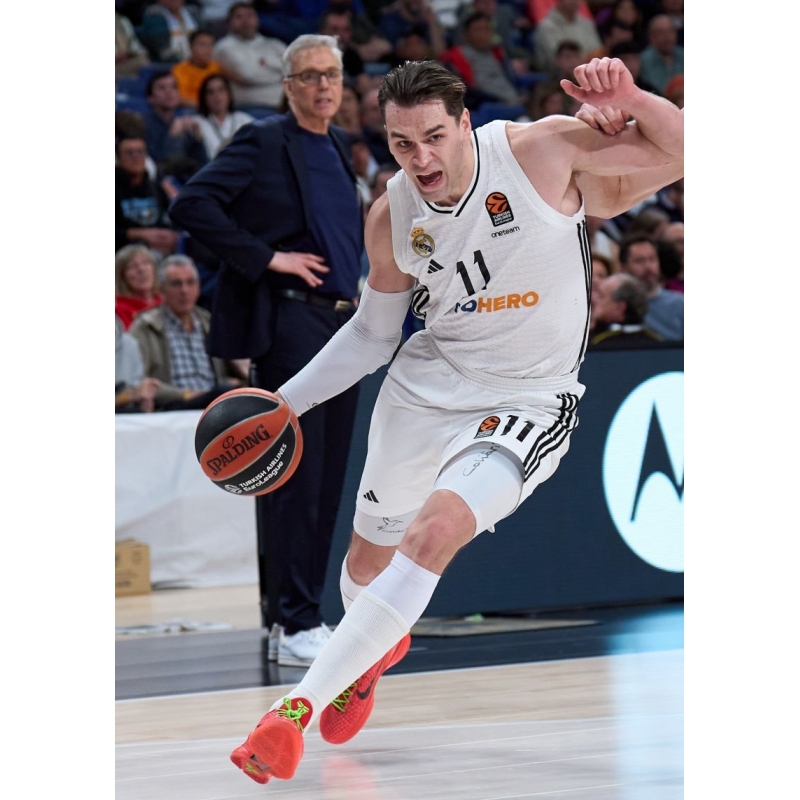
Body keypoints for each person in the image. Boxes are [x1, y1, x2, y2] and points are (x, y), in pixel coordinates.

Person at [226, 55, 683, 785]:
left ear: (465, 123)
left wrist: (631, 95)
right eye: (402, 143)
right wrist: (286, 403)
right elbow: (373, 335)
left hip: (526, 401)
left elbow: (686, 149)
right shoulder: (392, 214)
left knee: (433, 534)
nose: (421, 159)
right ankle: (374, 649)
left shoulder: (540, 152)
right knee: (365, 570)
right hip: (424, 390)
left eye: (434, 137)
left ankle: (291, 714)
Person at [168, 34, 365, 667]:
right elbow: (190, 203)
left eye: (331, 74)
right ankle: (294, 621)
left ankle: (299, 615)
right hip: (291, 322)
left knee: (329, 480)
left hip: (343, 325)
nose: (323, 85)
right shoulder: (263, 140)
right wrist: (266, 258)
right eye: (309, 75)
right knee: (296, 478)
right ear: (287, 86)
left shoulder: (339, 144)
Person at [129, 255, 249, 410]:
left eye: (190, 282)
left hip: (213, 403)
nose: (184, 290)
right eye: (176, 284)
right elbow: (137, 383)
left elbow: (231, 372)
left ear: (198, 287)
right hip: (172, 406)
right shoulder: (145, 326)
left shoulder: (210, 323)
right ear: (161, 290)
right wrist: (187, 395)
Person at [440, 12, 527, 108]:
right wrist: (502, 102)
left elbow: (511, 80)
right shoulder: (458, 55)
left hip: (514, 99)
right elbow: (469, 90)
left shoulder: (497, 52)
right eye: (478, 30)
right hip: (488, 104)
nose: (483, 34)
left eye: (486, 29)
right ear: (466, 34)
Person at [213, 1, 288, 112]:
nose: (246, 21)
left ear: (257, 19)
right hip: (252, 107)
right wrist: (280, 74)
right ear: (229, 22)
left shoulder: (274, 44)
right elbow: (248, 75)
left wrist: (267, 63)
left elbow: (293, 68)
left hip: (286, 105)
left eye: (250, 16)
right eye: (239, 17)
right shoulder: (224, 47)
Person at [115, 134, 181, 255]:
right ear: (118, 158)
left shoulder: (156, 187)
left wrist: (171, 235)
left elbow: (171, 220)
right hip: (123, 254)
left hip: (159, 252)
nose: (135, 157)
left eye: (140, 152)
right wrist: (140, 234)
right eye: (129, 153)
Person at [618, 231, 683, 341]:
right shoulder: (617, 305)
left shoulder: (680, 304)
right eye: (639, 261)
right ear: (624, 267)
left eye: (652, 259)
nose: (648, 267)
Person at [143, 70, 209, 177]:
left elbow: (203, 165)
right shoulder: (144, 125)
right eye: (162, 88)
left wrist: (198, 139)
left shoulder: (185, 123)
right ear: (150, 99)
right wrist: (173, 137)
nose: (169, 92)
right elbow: (159, 167)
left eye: (173, 87)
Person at [588, 272, 664, 348]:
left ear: (619, 308)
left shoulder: (598, 344)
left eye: (601, 296)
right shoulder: (657, 342)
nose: (595, 300)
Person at [532, 0, 602, 73]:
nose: (574, 1)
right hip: (556, 75)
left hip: (590, 71)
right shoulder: (546, 27)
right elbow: (556, 58)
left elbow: (597, 51)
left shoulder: (587, 24)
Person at [195, 73, 255, 158]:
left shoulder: (243, 119)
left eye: (221, 90)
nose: (217, 96)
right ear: (204, 98)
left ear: (229, 94)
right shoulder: (197, 122)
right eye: (211, 92)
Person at [116, 314, 160, 413]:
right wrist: (126, 397)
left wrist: (145, 400)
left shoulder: (129, 343)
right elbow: (131, 395)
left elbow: (137, 388)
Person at [115, 244, 164, 329]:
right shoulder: (117, 310)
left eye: (146, 263)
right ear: (122, 276)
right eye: (132, 266)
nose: (141, 269)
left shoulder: (167, 301)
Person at [171, 29, 222, 108]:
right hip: (190, 110)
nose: (208, 49)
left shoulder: (217, 68)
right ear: (191, 47)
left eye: (210, 45)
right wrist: (205, 107)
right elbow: (177, 98)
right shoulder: (179, 70)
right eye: (202, 45)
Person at [638, 13, 683, 96]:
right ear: (651, 37)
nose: (667, 36)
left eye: (670, 31)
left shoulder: (683, 54)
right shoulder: (644, 60)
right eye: (661, 32)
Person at [116, 11, 151, 77]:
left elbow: (136, 49)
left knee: (142, 62)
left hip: (127, 60)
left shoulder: (122, 20)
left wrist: (126, 53)